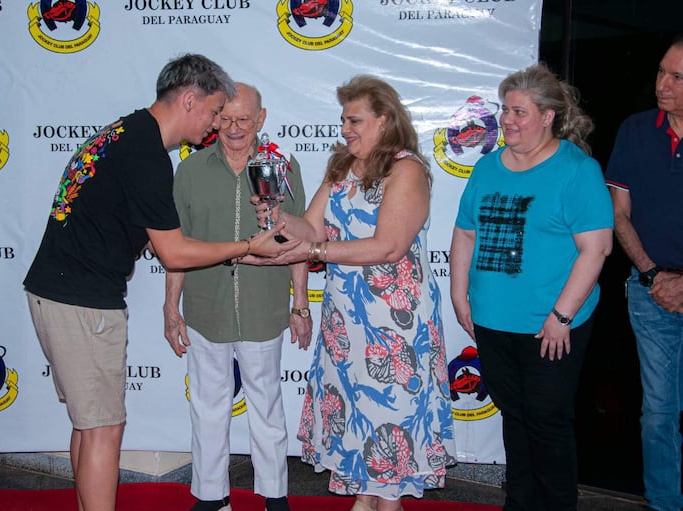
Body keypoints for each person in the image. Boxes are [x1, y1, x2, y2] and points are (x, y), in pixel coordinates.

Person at [23, 55, 295, 511]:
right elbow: (174, 252)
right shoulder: (148, 154)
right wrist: (248, 244)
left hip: (62, 292)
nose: (215, 124)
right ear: (189, 99)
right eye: (213, 111)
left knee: (89, 426)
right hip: (82, 300)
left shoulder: (127, 134)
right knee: (104, 429)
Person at [254, 75, 456, 511]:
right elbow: (310, 225)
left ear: (384, 120)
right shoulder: (341, 166)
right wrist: (276, 215)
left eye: (354, 119)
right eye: (343, 119)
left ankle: (385, 502)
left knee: (391, 413)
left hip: (395, 321)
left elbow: (388, 245)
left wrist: (316, 250)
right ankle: (366, 498)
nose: (345, 128)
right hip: (346, 318)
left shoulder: (407, 170)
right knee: (358, 409)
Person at [449, 64, 613, 511]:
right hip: (492, 319)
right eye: (505, 110)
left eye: (519, 112)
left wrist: (561, 317)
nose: (507, 120)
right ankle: (519, 503)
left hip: (551, 325)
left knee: (546, 422)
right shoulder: (486, 166)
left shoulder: (577, 171)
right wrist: (460, 294)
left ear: (548, 117)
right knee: (515, 418)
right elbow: (465, 232)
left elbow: (595, 249)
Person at [163, 82, 312, 511]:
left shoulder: (282, 167)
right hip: (204, 307)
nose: (233, 128)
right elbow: (177, 245)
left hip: (263, 307)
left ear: (261, 120)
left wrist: (300, 303)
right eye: (224, 118)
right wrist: (170, 306)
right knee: (208, 407)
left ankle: (274, 493)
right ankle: (211, 495)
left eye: (243, 119)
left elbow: (302, 239)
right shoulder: (190, 170)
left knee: (267, 405)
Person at [605, 36, 683, 511]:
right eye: (660, 72)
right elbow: (618, 213)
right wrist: (655, 276)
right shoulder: (636, 129)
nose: (662, 84)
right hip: (650, 292)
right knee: (658, 413)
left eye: (677, 77)